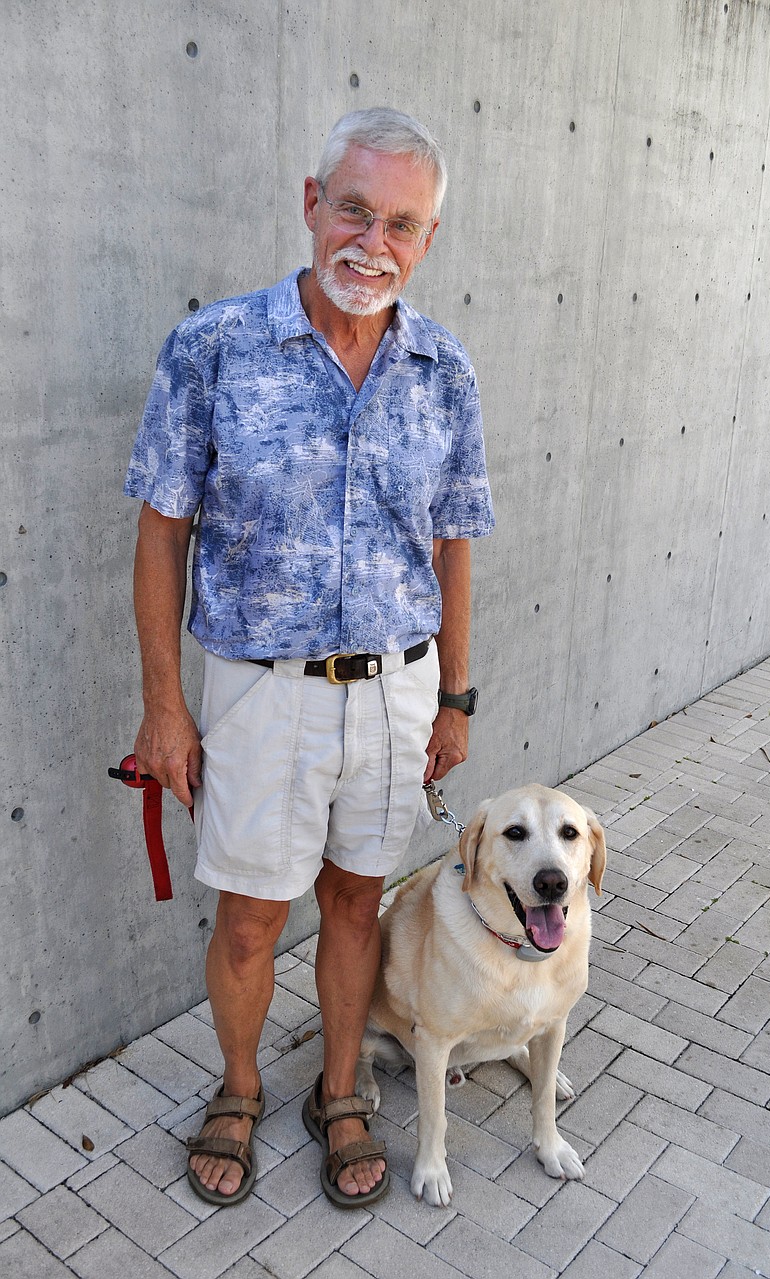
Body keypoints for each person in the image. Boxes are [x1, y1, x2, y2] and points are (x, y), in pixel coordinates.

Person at [125, 107, 494, 1208]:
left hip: (395, 692)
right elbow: (162, 532)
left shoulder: (443, 369)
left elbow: (454, 541)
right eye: (353, 209)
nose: (372, 242)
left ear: (426, 239)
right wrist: (164, 706)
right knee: (249, 916)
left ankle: (339, 1090)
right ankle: (238, 1086)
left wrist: (455, 696)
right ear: (309, 203)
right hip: (260, 694)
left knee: (354, 901)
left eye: (401, 223)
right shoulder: (214, 347)